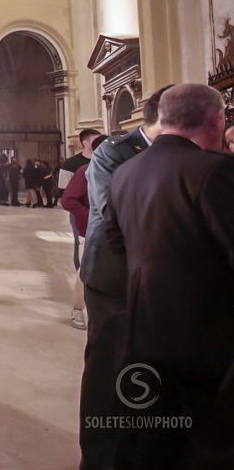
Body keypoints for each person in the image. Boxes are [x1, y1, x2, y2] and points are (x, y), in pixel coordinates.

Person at [100, 84, 234, 468]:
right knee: (203, 443)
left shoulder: (125, 172)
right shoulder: (215, 172)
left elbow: (115, 239)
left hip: (143, 328)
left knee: (152, 438)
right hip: (206, 339)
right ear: (216, 119)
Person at [79, 85, 169, 470]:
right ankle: (99, 458)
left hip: (160, 282)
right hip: (114, 277)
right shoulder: (114, 152)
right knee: (109, 366)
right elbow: (110, 214)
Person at [59, 135, 108, 331]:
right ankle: (78, 309)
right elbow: (68, 200)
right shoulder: (85, 170)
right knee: (85, 269)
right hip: (90, 229)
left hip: (113, 230)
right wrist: (91, 218)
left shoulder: (120, 168)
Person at [58, 128, 103, 283]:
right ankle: (81, 274)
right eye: (96, 139)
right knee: (81, 242)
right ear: (85, 143)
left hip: (102, 213)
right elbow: (65, 193)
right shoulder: (71, 164)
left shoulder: (107, 160)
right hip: (81, 211)